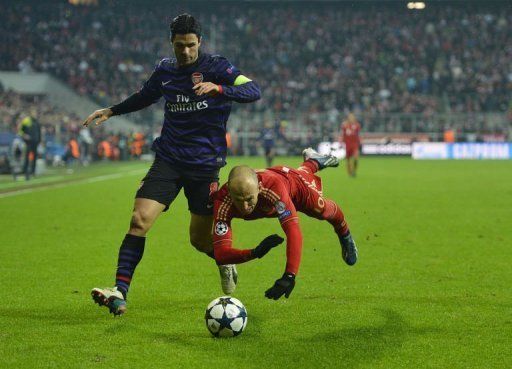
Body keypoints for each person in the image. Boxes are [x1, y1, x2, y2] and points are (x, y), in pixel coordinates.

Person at [83, 14, 261, 315]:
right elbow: (145, 96)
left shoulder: (218, 67)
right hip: (169, 159)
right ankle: (120, 291)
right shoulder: (165, 70)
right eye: (180, 45)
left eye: (191, 45)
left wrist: (219, 89)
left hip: (204, 166)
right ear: (172, 43)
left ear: (199, 42)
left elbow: (253, 90)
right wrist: (112, 111)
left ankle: (223, 259)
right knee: (139, 220)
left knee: (199, 240)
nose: (187, 52)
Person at [211, 148, 358, 300]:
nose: (245, 207)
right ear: (229, 191)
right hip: (274, 181)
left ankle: (344, 233)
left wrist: (289, 275)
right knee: (304, 173)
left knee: (322, 209)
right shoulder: (223, 200)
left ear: (259, 189)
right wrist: (255, 252)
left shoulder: (273, 189)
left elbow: (293, 230)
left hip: (293, 187)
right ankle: (312, 162)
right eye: (239, 201)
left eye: (249, 199)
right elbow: (221, 255)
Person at [18, 111, 41, 180]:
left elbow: (39, 132)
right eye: (34, 113)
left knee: (34, 157)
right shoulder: (26, 121)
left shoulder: (37, 122)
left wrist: (39, 140)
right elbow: (21, 130)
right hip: (28, 142)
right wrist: (24, 135)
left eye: (36, 113)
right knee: (27, 156)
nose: (35, 114)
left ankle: (32, 172)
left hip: (35, 142)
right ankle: (25, 171)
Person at [340, 113, 361, 177]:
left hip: (355, 145)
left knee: (355, 158)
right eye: (350, 117)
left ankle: (354, 171)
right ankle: (349, 172)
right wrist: (341, 142)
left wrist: (360, 142)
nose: (351, 118)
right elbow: (343, 134)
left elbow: (358, 135)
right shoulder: (345, 125)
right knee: (348, 160)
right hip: (348, 145)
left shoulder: (357, 125)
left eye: (352, 117)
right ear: (348, 118)